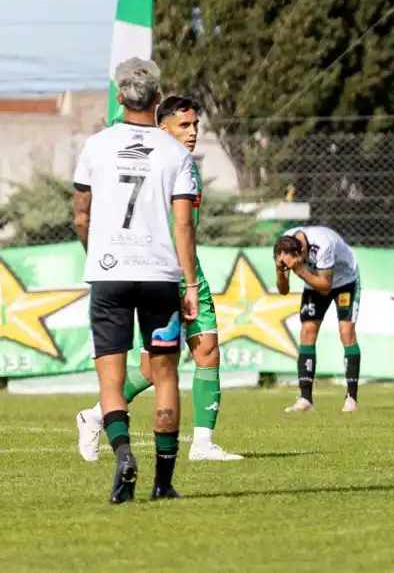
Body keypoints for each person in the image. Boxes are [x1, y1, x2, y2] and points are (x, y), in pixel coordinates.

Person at [76, 95, 242, 463]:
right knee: (153, 368)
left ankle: (202, 443)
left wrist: (192, 276)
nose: (193, 131)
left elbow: (187, 227)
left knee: (207, 349)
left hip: (185, 270)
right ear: (161, 126)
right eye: (184, 125)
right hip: (156, 272)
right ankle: (95, 416)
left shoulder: (184, 164)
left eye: (196, 125)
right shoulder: (157, 162)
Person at [72, 57, 199, 503]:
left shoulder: (95, 146)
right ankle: (163, 483)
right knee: (165, 377)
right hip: (159, 277)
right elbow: (183, 225)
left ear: (119, 95)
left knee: (112, 381)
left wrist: (99, 256)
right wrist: (190, 285)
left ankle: (124, 455)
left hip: (109, 276)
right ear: (158, 98)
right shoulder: (177, 153)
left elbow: (81, 216)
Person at [274, 225, 362, 413]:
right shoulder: (285, 244)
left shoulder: (323, 244)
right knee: (307, 332)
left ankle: (351, 398)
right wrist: (279, 270)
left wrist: (299, 269)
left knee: (346, 332)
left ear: (303, 251)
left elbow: (326, 287)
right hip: (314, 282)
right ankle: (306, 399)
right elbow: (283, 291)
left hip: (345, 281)